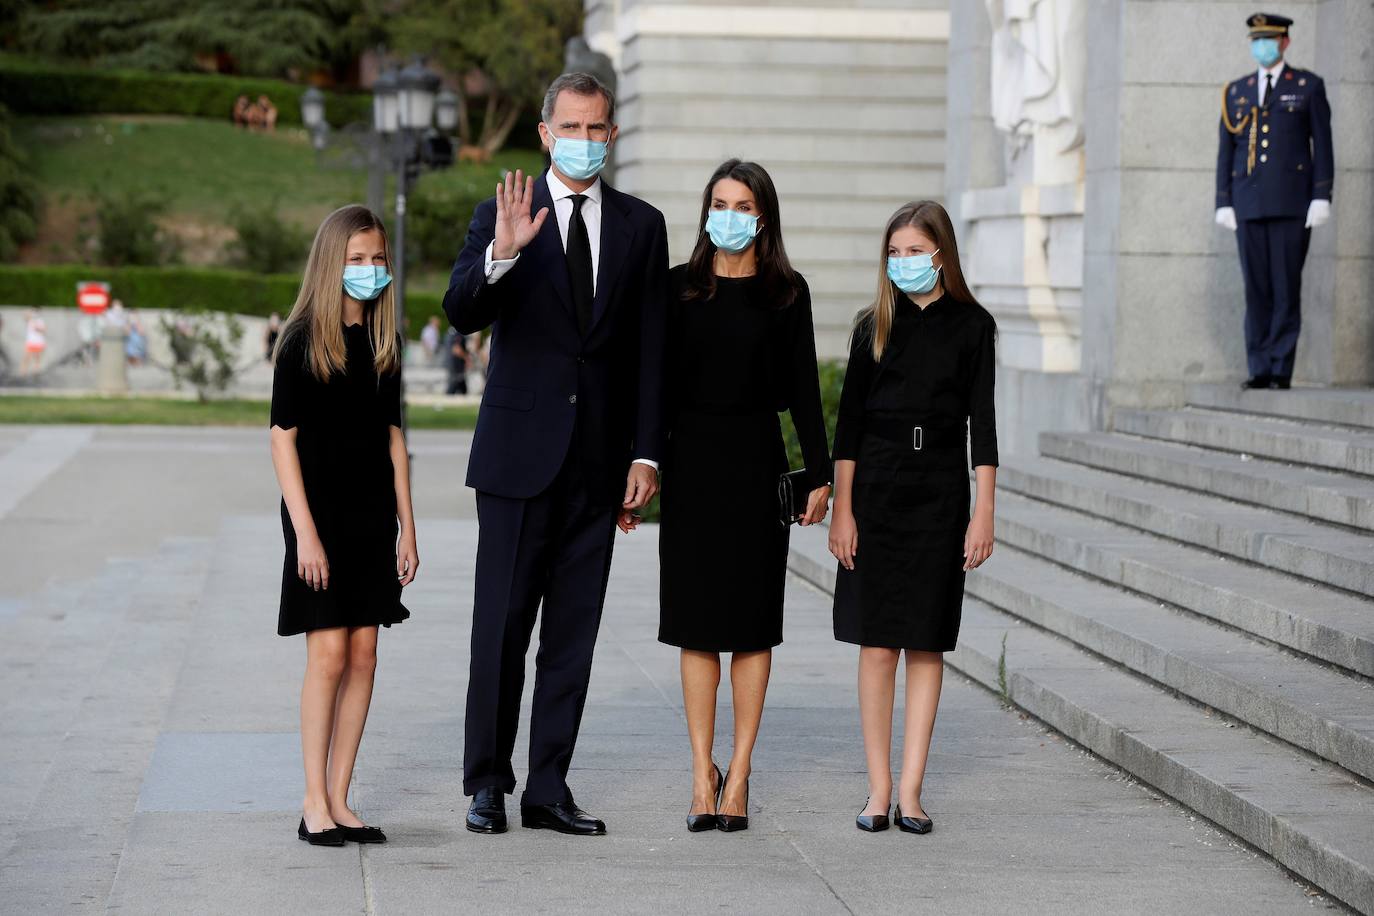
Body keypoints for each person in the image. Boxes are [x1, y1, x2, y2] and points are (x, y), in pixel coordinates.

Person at [443, 71, 668, 838]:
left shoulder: (642, 226)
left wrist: (647, 456)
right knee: (500, 627)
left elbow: (650, 350)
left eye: (596, 128)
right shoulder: (502, 212)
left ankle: (548, 786)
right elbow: (462, 310)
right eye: (569, 127)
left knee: (573, 633)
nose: (583, 140)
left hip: (600, 465)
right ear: (544, 133)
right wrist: (501, 255)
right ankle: (487, 783)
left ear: (612, 135)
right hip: (515, 460)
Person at [655, 159, 830, 833]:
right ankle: (703, 772)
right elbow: (655, 390)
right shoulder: (678, 290)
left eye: (742, 204)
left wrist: (820, 475)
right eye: (719, 202)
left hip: (758, 468)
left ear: (764, 217)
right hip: (692, 467)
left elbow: (806, 394)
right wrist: (641, 464)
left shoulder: (787, 293)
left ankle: (742, 771)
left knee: (753, 626)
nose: (728, 214)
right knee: (696, 626)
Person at [828, 200, 997, 836]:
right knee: (877, 646)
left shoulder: (973, 326)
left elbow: (984, 426)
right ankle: (876, 790)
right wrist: (842, 510)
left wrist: (984, 513)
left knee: (926, 643)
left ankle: (912, 790)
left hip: (940, 496)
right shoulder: (873, 324)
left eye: (915, 251)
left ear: (942, 255)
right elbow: (849, 427)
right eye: (893, 252)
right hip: (876, 492)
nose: (903, 263)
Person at [269, 204, 418, 847]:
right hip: (319, 514)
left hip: (371, 515)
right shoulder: (302, 340)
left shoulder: (385, 346)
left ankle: (340, 796)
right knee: (328, 654)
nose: (368, 269)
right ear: (332, 263)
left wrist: (408, 528)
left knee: (364, 653)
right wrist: (304, 532)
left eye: (377, 259)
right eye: (356, 259)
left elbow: (394, 441)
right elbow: (281, 440)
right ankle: (311, 802)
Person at [1215, 12, 1332, 390]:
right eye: (1255, 41)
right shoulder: (1237, 91)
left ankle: (1281, 367)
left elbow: (1323, 147)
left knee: (1285, 287)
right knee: (1256, 288)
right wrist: (1223, 201)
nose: (1260, 47)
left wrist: (1321, 195)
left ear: (1284, 42)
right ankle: (1259, 366)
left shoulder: (1307, 86)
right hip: (1248, 204)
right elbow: (1226, 150)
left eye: (1267, 40)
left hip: (1290, 203)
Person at [442, 326, 469, 395]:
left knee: (460, 385)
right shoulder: (457, 333)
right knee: (454, 385)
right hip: (456, 364)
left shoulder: (450, 332)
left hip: (451, 363)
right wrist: (466, 358)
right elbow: (456, 349)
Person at [21, 309, 45, 376]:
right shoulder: (30, 320)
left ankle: (36, 371)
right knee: (26, 357)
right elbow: (25, 317)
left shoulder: (40, 321)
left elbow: (43, 330)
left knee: (37, 357)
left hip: (38, 342)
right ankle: (23, 372)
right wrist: (28, 314)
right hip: (30, 342)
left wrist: (37, 327)